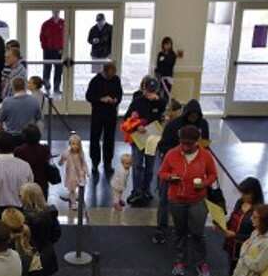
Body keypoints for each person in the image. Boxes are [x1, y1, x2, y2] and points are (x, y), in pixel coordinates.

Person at [158, 125, 218, 276]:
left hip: (197, 200)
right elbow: (162, 172)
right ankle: (180, 261)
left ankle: (201, 263)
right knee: (180, 232)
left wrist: (204, 183)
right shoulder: (172, 154)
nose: (185, 147)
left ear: (197, 142)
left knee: (198, 233)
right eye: (182, 143)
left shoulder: (205, 155)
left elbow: (212, 174)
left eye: (189, 144)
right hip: (176, 200)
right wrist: (170, 177)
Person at [155, 99, 211, 242]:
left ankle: (187, 231)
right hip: (173, 169)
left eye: (196, 116)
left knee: (193, 202)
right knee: (165, 199)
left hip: (194, 171)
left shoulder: (203, 124)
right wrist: (178, 154)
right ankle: (161, 229)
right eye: (191, 116)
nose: (193, 118)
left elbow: (206, 144)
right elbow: (162, 146)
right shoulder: (174, 125)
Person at [209, 177, 265, 276]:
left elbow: (259, 236)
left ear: (254, 193)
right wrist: (222, 225)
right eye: (242, 193)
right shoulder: (240, 202)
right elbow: (234, 220)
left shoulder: (260, 211)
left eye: (246, 193)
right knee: (232, 275)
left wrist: (235, 236)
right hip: (232, 247)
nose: (243, 196)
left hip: (247, 251)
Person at [122, 76, 167, 206]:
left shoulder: (162, 102)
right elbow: (126, 118)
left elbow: (166, 115)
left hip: (153, 139)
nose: (150, 94)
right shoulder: (137, 102)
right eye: (148, 91)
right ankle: (136, 190)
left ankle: (146, 189)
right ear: (143, 89)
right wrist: (137, 126)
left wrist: (159, 102)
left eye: (153, 91)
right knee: (137, 165)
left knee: (150, 166)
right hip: (138, 138)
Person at [85, 62, 123, 175]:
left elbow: (120, 94)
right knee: (95, 138)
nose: (111, 77)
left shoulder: (116, 80)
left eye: (113, 74)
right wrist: (101, 99)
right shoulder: (95, 80)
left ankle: (108, 163)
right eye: (109, 75)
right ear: (104, 72)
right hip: (98, 113)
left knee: (109, 139)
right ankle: (95, 163)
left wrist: (116, 99)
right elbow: (89, 96)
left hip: (111, 113)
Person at [11, 124, 50, 199]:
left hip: (24, 185)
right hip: (41, 184)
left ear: (24, 136)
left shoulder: (19, 151)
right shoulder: (45, 149)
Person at [59, 133, 89, 209]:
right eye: (73, 144)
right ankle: (73, 202)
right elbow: (62, 160)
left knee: (81, 187)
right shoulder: (67, 153)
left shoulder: (81, 154)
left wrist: (87, 171)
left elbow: (84, 163)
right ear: (70, 144)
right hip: (71, 175)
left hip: (80, 174)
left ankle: (80, 198)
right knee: (72, 189)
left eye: (77, 144)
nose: (75, 146)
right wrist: (61, 161)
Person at [39, 9, 66, 94]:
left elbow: (67, 36)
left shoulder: (64, 23)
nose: (56, 13)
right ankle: (47, 86)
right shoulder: (46, 24)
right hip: (48, 50)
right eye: (55, 11)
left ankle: (56, 88)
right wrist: (45, 47)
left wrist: (64, 48)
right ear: (52, 12)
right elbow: (42, 37)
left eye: (57, 11)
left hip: (60, 51)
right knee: (47, 68)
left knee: (59, 70)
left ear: (59, 12)